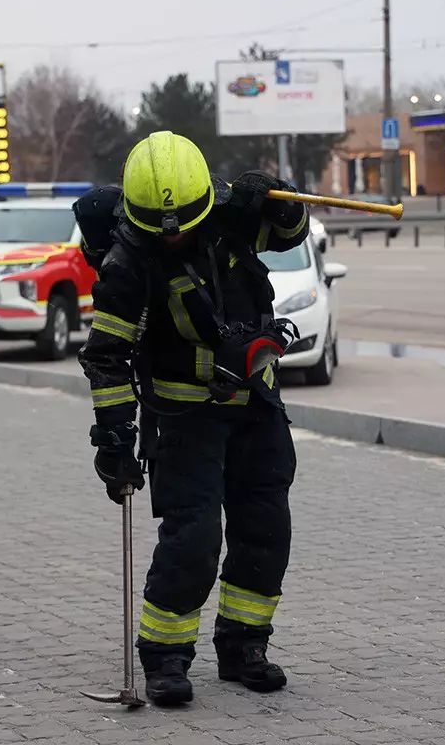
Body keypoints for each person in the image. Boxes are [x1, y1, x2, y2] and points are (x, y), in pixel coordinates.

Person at [76, 131, 308, 706]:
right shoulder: (129, 260)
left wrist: (281, 199)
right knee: (194, 539)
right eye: (163, 228)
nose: (175, 235)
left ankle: (244, 647)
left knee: (265, 529)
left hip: (256, 406)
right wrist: (114, 441)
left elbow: (290, 234)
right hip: (183, 419)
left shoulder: (228, 218)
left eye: (184, 223)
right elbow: (108, 356)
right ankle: (165, 658)